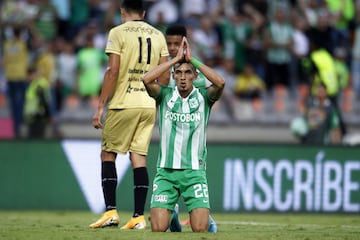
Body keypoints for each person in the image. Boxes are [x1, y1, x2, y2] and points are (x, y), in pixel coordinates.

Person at [90, 0, 169, 229]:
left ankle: (111, 212)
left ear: (123, 12)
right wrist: (155, 101)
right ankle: (137, 217)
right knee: (139, 158)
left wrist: (100, 106)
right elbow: (164, 76)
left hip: (124, 102)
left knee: (108, 154)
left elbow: (113, 71)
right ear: (143, 13)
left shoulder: (117, 32)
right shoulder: (158, 35)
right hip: (147, 105)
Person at [142, 37, 225, 232]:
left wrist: (192, 59)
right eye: (178, 73)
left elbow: (220, 83)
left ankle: (202, 217)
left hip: (194, 173)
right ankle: (172, 215)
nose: (182, 77)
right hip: (166, 172)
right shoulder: (164, 95)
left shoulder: (204, 97)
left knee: (199, 229)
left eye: (188, 72)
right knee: (157, 228)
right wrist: (175, 59)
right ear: (173, 75)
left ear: (195, 76)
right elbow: (146, 79)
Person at [164, 24, 217, 232]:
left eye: (177, 43)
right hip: (170, 124)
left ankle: (206, 217)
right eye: (169, 43)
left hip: (192, 125)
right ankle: (172, 212)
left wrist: (190, 60)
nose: (172, 47)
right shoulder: (163, 66)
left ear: (185, 43)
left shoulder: (192, 72)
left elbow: (213, 85)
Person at [3, 26, 29, 138]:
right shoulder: (22, 45)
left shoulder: (7, 45)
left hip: (10, 76)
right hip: (20, 76)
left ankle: (16, 126)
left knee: (14, 103)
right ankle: (18, 126)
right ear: (20, 34)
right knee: (20, 102)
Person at [23, 67, 51, 139]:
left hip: (38, 115)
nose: (28, 77)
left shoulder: (39, 84)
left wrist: (46, 114)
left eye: (29, 75)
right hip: (33, 116)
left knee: (37, 139)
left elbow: (43, 99)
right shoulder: (34, 83)